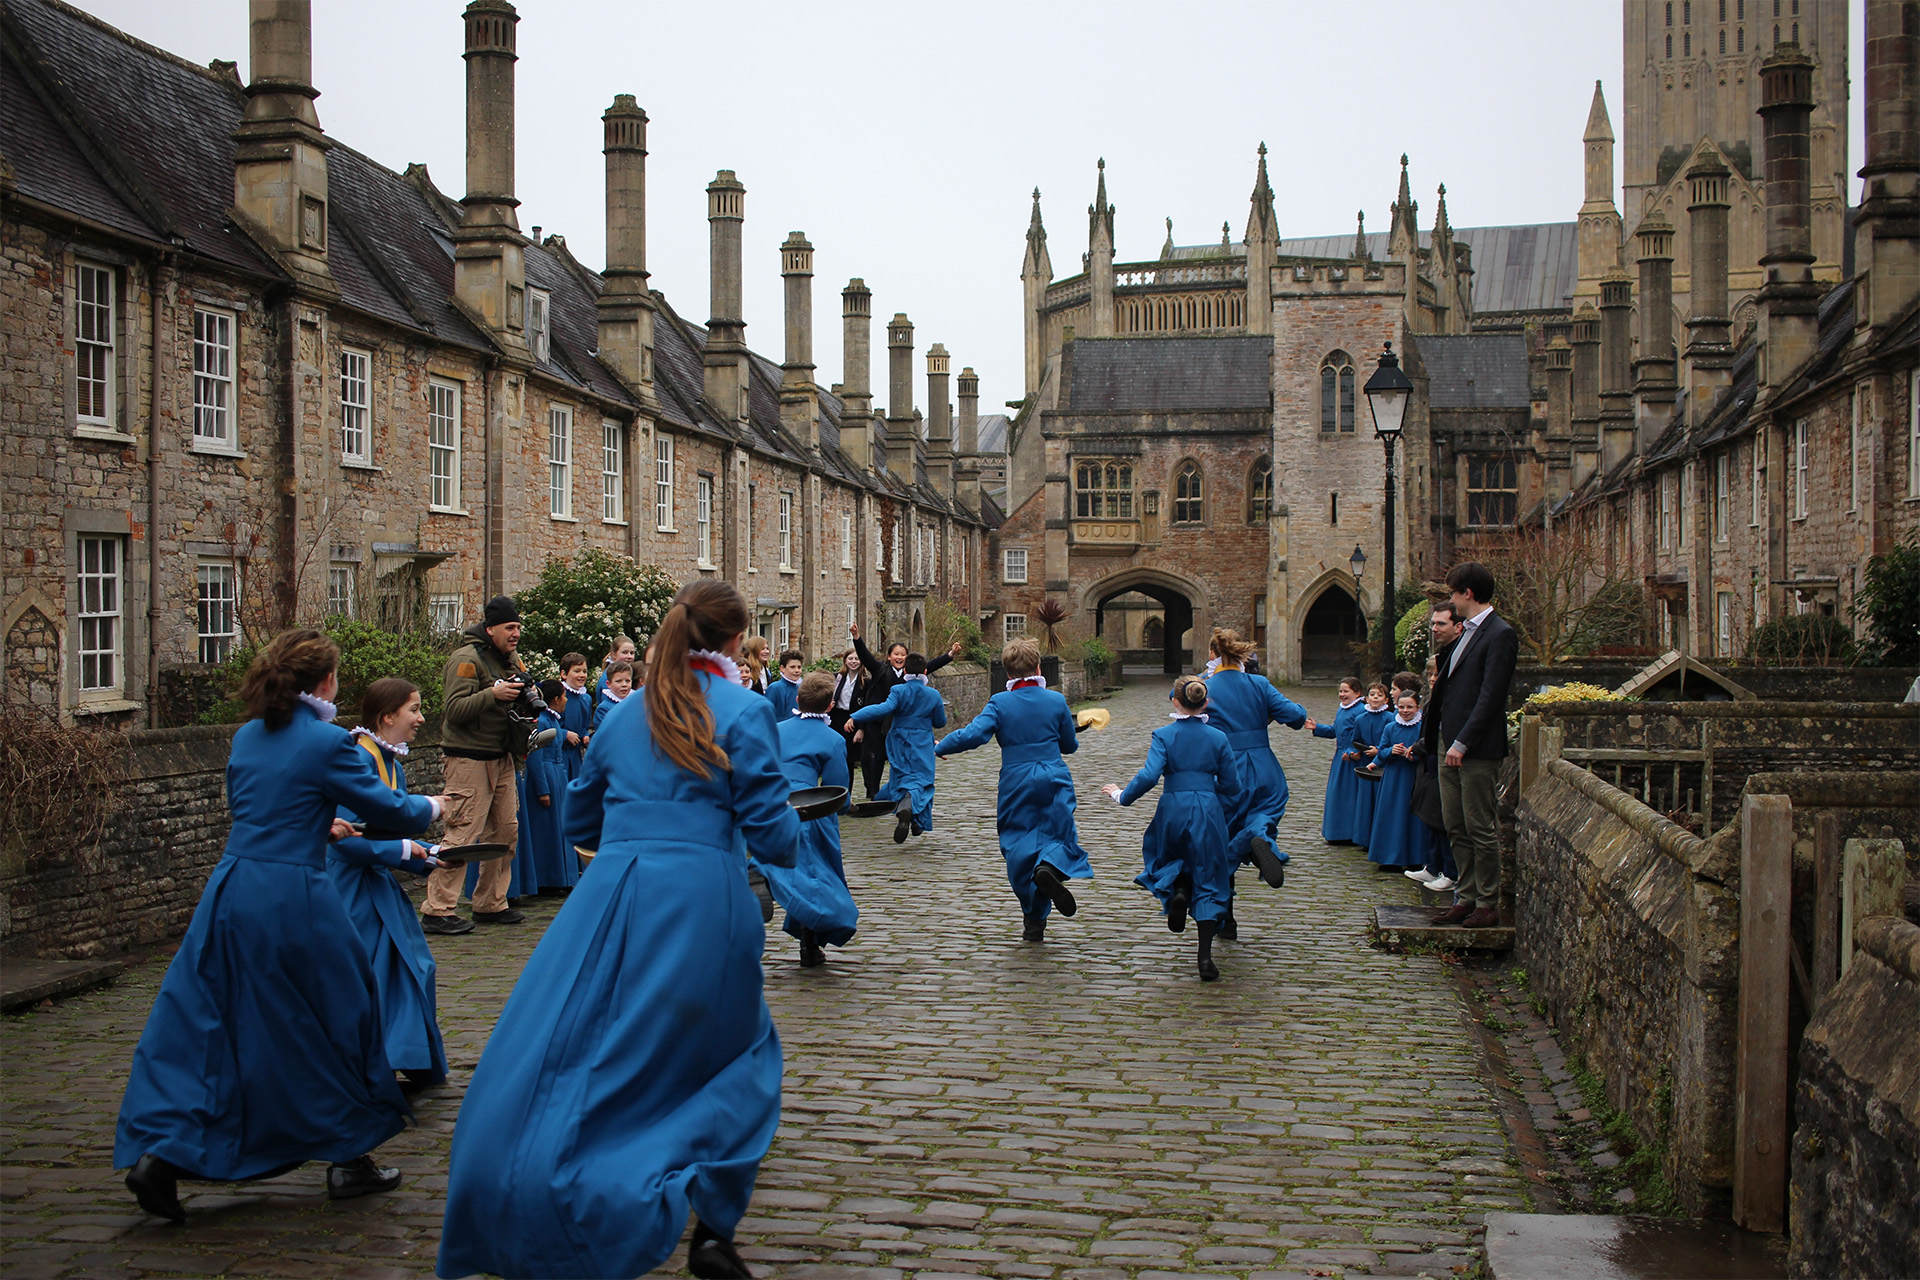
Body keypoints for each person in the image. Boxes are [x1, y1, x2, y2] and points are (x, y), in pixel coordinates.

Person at [437, 579, 801, 1280]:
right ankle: (709, 1225)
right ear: (733, 641)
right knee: (736, 1056)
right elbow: (774, 837)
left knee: (579, 1045)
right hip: (701, 898)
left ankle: (525, 1181)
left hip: (610, 894)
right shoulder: (743, 709)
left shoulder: (629, 714)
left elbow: (580, 820)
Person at [117, 629, 445, 1223]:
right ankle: (349, 1157)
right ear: (324, 683)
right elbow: (389, 809)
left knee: (213, 1021)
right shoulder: (330, 742)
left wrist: (319, 827)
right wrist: (434, 807)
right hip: (293, 894)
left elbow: (258, 811)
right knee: (341, 1013)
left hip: (231, 888)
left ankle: (162, 1157)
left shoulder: (245, 736)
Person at [934, 638, 1093, 942]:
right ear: (1037, 667)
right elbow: (1069, 746)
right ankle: (1049, 870)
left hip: (1017, 778)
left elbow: (974, 734)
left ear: (1007, 672)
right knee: (1058, 833)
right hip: (1053, 774)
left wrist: (942, 745)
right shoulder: (1055, 700)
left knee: (1017, 842)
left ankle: (1033, 919)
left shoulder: (999, 703)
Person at [1102, 676, 1242, 982]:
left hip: (1173, 808)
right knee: (1209, 875)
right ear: (1205, 703)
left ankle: (1178, 890)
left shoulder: (1164, 735)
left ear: (1175, 702)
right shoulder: (1218, 737)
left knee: (1170, 857)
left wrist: (1121, 795)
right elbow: (1233, 786)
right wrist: (1206, 786)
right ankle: (1205, 957)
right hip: (1207, 809)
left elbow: (1149, 775)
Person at [422, 595, 533, 936]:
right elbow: (454, 709)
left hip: (501, 757)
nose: (516, 633)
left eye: (518, 627)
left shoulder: (510, 660)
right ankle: (438, 909)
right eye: (509, 627)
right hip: (468, 758)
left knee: (505, 832)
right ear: (490, 628)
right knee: (462, 834)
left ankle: (490, 902)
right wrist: (493, 695)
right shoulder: (466, 660)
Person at [1427, 561, 1520, 929]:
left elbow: (1491, 696)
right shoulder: (1465, 632)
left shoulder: (1500, 634)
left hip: (1476, 748)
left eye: (1453, 593)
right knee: (1456, 824)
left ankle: (1487, 901)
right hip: (1445, 741)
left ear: (1467, 594)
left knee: (1479, 826)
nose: (1450, 599)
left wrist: (1463, 742)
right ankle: (1464, 897)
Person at [1200, 629, 1307, 912]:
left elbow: (1178, 696)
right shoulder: (1259, 684)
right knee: (1264, 810)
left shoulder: (1205, 686)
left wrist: (1205, 676)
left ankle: (1224, 916)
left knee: (1221, 834)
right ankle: (1260, 837)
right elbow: (1296, 716)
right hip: (1262, 765)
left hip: (1223, 768)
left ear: (1213, 655)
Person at [766, 672, 860, 968]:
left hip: (772, 806)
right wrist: (845, 807)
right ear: (831, 706)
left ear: (797, 700)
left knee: (797, 870)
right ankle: (810, 942)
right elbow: (836, 788)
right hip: (810, 808)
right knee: (817, 875)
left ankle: (763, 875)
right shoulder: (832, 739)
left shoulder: (776, 730)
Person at [847, 623, 962, 796]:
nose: (899, 657)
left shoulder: (915, 673)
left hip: (899, 722)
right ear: (889, 657)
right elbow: (865, 656)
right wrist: (857, 638)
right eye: (896, 654)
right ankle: (873, 792)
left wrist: (950, 655)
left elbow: (931, 665)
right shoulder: (880, 669)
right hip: (879, 722)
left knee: (899, 760)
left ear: (907, 660)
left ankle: (898, 793)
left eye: (903, 654)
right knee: (876, 758)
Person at [850, 651, 947, 844]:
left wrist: (856, 715)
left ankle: (913, 820)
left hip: (898, 740)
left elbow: (883, 709)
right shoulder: (933, 695)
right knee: (922, 781)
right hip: (921, 741)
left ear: (904, 671)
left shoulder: (898, 690)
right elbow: (940, 722)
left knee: (901, 777)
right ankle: (911, 811)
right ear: (925, 671)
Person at [1365, 689, 1433, 871]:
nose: (1405, 710)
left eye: (1409, 707)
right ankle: (1389, 858)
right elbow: (1382, 750)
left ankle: (1415, 858)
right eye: (1401, 707)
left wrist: (1413, 754)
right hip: (1393, 779)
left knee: (1413, 818)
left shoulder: (1421, 728)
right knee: (1391, 817)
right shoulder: (1390, 727)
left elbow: (1427, 751)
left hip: (1413, 777)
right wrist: (1390, 752)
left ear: (1417, 707)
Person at [523, 679, 578, 891]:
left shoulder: (553, 720)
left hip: (557, 774)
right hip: (546, 776)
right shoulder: (542, 721)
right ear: (556, 699)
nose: (566, 700)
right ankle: (549, 878)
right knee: (547, 829)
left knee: (559, 827)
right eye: (564, 696)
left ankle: (563, 877)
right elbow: (535, 756)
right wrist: (542, 789)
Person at [1308, 677, 1369, 844]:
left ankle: (1350, 833)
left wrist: (1355, 751)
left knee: (1350, 796)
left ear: (1357, 693)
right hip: (1340, 758)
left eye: (1346, 691)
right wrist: (1317, 727)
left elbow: (1363, 736)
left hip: (1353, 760)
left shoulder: (1361, 711)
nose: (1342, 695)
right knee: (1338, 795)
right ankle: (1336, 832)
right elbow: (1335, 730)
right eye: (1340, 691)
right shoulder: (1342, 710)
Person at [1346, 681, 1393, 849]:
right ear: (1366, 698)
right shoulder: (1360, 719)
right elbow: (1354, 740)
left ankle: (1380, 838)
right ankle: (1364, 838)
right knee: (1365, 801)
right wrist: (1354, 752)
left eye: (1379, 695)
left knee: (1381, 800)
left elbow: (1392, 741)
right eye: (1372, 695)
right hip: (1366, 763)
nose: (1375, 698)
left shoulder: (1390, 718)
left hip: (1383, 764)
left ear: (1386, 700)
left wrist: (1379, 751)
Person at [829, 647, 877, 795]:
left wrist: (861, 728)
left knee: (863, 757)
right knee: (843, 757)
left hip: (857, 718)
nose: (853, 662)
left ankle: (871, 789)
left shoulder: (866, 682)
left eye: (857, 659)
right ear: (845, 661)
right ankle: (845, 792)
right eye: (850, 659)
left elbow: (869, 705)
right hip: (838, 719)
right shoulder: (837, 678)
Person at [558, 652, 594, 781]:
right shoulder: (558, 697)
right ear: (564, 674)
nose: (582, 675)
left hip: (576, 755)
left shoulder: (586, 698)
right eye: (577, 671)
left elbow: (585, 725)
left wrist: (585, 736)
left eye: (584, 671)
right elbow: (547, 724)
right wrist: (564, 734)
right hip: (560, 753)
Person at [595, 658, 634, 733]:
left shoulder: (636, 703)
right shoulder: (604, 708)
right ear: (608, 684)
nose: (624, 685)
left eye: (627, 681)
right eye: (619, 681)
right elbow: (604, 734)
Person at [765, 649, 805, 720]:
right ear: (782, 668)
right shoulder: (775, 688)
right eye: (792, 667)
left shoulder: (803, 687)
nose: (797, 670)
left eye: (799, 667)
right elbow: (766, 714)